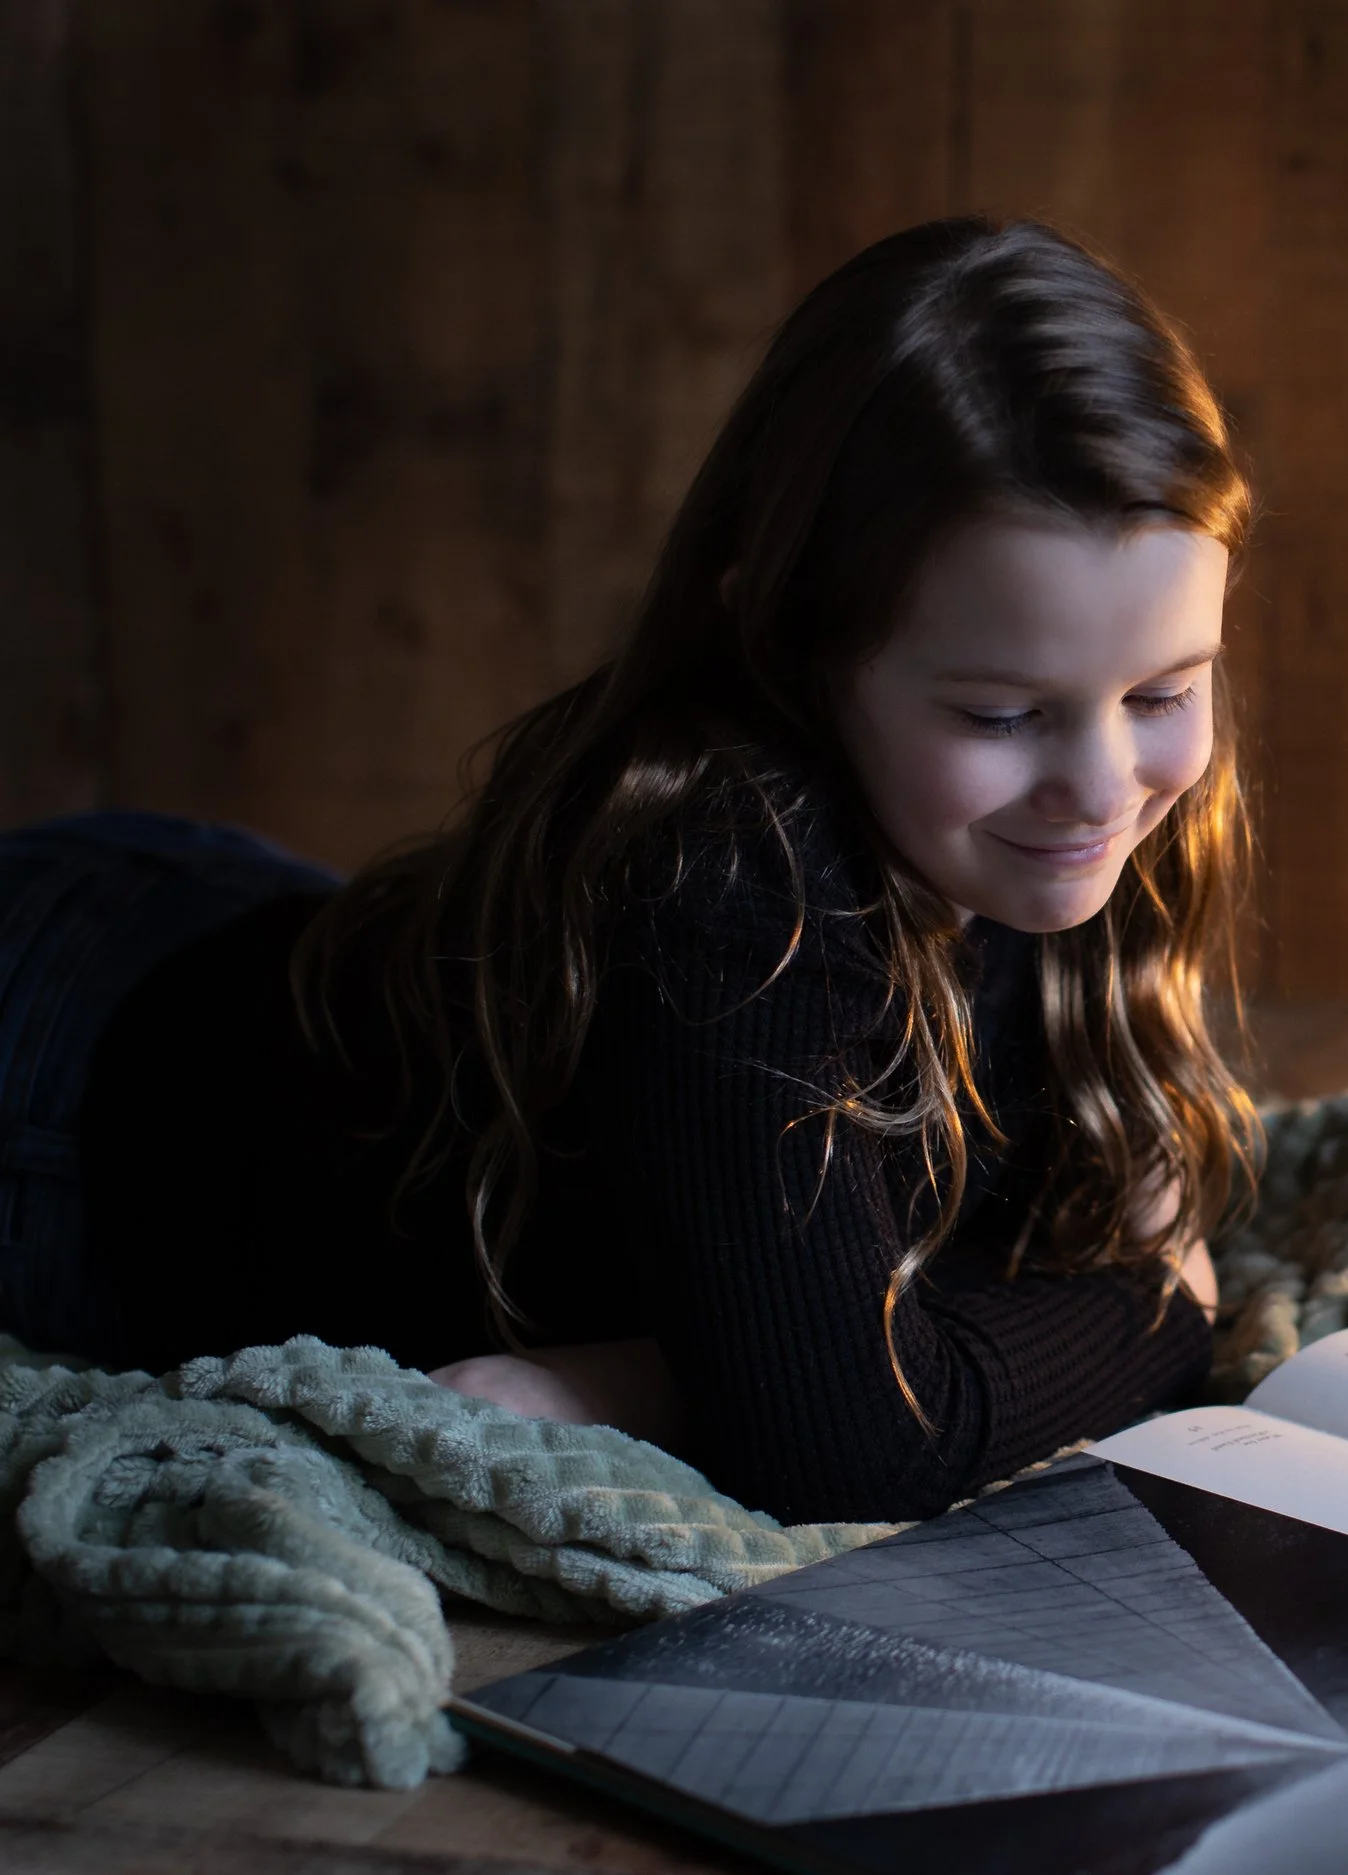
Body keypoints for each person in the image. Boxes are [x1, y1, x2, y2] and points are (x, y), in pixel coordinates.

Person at [0, 218, 1258, 1525]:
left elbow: (937, 1286)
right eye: (1001, 714)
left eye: (1166, 688)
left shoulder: (1071, 812)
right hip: (74, 1065)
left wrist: (647, 1381)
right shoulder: (726, 878)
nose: (1106, 785)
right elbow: (855, 1448)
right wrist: (1154, 1300)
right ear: (793, 651)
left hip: (242, 916)